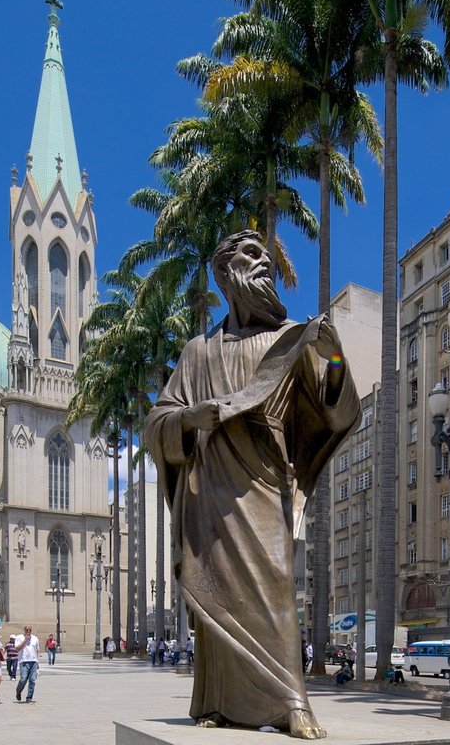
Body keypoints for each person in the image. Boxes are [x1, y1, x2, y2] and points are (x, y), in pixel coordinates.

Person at [144, 230, 357, 739]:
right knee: (214, 591)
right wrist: (192, 417)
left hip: (265, 481)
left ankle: (291, 701)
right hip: (210, 488)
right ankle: (217, 701)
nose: (264, 263)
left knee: (276, 589)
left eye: (266, 256)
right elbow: (157, 422)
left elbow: (333, 399)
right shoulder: (198, 353)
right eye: (251, 254)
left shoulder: (291, 338)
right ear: (223, 274)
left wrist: (333, 356)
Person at [15, 626, 40, 703]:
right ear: (24, 630)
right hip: (23, 661)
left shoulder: (35, 638)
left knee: (32, 680)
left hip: (33, 661)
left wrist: (37, 661)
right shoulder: (19, 637)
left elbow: (37, 650)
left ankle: (29, 697)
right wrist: (25, 640)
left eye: (30, 630)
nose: (28, 631)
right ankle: (18, 691)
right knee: (23, 679)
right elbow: (17, 649)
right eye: (27, 630)